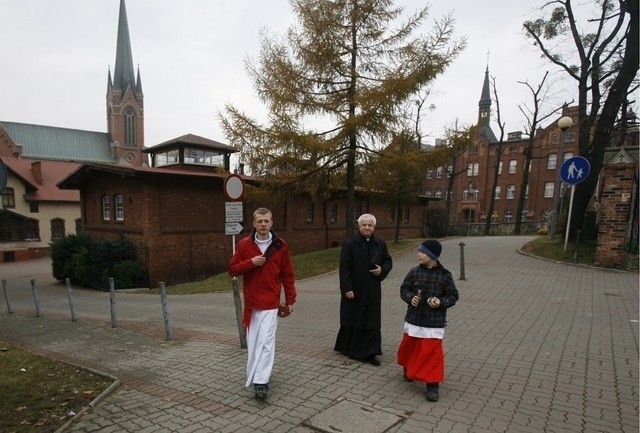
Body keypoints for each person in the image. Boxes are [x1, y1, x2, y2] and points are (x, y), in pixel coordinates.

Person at [228, 207, 297, 401]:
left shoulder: (280, 245)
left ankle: (261, 382)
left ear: (272, 222)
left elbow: (288, 275)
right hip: (252, 304)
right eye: (260, 221)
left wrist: (290, 300)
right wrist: (251, 262)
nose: (264, 224)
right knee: (253, 342)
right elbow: (232, 269)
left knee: (266, 342)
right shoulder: (244, 245)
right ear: (254, 223)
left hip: (270, 303)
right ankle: (255, 372)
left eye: (267, 221)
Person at [396, 239, 459, 402]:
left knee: (432, 353)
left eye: (422, 252)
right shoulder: (414, 272)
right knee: (410, 347)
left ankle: (432, 384)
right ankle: (408, 368)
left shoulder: (444, 276)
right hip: (414, 319)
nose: (419, 254)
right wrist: (410, 299)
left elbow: (453, 296)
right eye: (419, 251)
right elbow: (404, 289)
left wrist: (440, 302)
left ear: (432, 256)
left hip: (434, 323)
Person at [334, 213, 392, 366]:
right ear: (359, 227)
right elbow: (344, 268)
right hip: (355, 289)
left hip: (373, 289)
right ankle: (351, 349)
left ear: (374, 227)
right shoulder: (350, 243)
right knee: (355, 317)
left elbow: (388, 261)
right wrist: (346, 288)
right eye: (364, 225)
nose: (367, 228)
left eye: (370, 225)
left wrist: (382, 270)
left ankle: (370, 352)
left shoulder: (380, 243)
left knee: (371, 320)